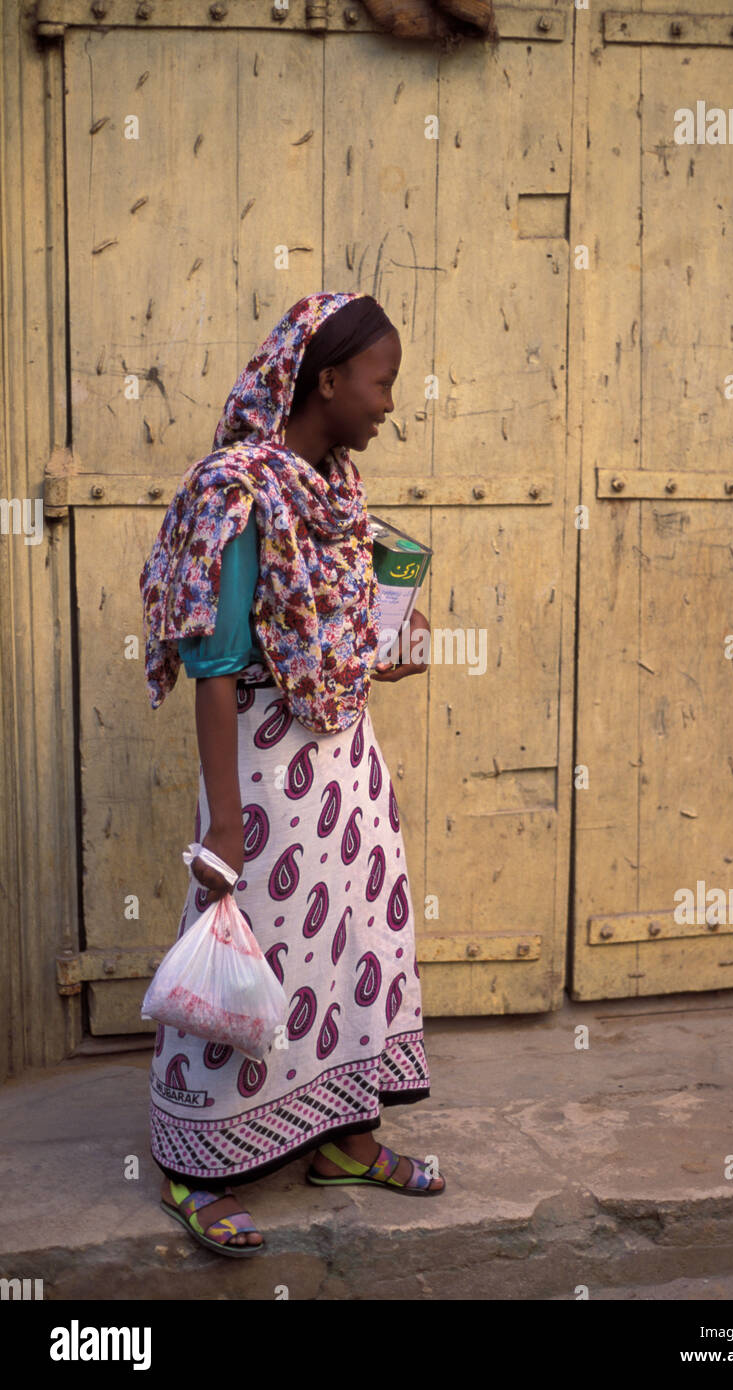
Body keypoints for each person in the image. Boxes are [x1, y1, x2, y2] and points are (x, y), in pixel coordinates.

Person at [139, 291, 444, 1259]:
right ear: (326, 380)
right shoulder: (241, 492)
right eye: (381, 381)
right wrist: (224, 827)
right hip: (265, 783)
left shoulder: (337, 487)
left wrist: (379, 650)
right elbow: (218, 668)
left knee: (356, 954)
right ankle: (198, 1166)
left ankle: (347, 1141)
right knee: (241, 956)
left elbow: (325, 636)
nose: (390, 402)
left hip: (345, 773)